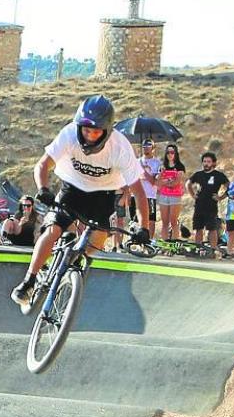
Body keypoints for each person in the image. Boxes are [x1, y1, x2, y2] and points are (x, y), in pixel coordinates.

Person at [10, 95, 150, 311]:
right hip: (72, 188)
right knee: (52, 230)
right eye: (86, 130)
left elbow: (139, 193)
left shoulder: (120, 147)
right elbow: (42, 165)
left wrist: (144, 228)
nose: (91, 135)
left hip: (103, 193)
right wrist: (43, 189)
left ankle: (75, 261)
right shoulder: (68, 134)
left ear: (107, 130)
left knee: (99, 236)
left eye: (96, 131)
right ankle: (29, 280)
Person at [188, 152, 229, 252]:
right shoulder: (198, 174)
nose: (206, 164)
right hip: (199, 205)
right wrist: (193, 195)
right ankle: (198, 249)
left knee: (212, 229)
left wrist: (221, 197)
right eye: (204, 161)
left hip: (211, 206)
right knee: (198, 228)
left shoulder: (219, 175)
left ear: (213, 163)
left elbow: (229, 186)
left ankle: (213, 250)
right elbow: (188, 183)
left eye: (208, 162)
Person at [156, 143, 186, 239]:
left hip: (175, 196)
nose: (170, 154)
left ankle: (175, 241)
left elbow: (176, 182)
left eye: (172, 152)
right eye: (168, 152)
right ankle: (165, 243)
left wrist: (166, 182)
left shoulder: (180, 167)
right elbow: (158, 182)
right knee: (164, 222)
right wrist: (166, 179)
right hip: (163, 196)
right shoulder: (162, 167)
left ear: (175, 153)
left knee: (173, 221)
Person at [134, 139, 160, 233]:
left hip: (150, 195)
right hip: (137, 194)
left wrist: (144, 172)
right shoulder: (137, 162)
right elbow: (133, 178)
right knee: (136, 220)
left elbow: (154, 181)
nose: (146, 149)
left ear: (153, 148)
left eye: (148, 147)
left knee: (151, 220)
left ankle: (149, 242)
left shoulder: (157, 163)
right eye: (144, 147)